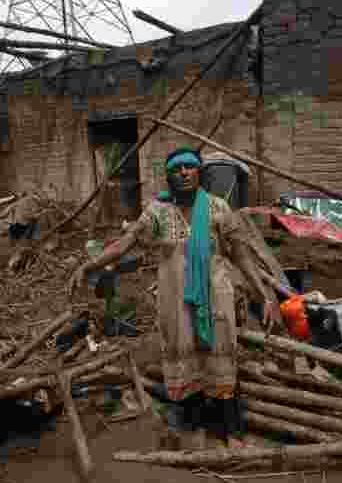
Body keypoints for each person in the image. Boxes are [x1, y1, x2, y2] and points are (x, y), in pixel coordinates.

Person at [69, 147, 282, 448]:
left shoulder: (219, 208)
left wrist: (266, 297)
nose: (183, 172)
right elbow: (125, 243)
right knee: (185, 362)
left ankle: (229, 433)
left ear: (199, 172)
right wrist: (90, 264)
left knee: (221, 360)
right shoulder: (157, 212)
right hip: (175, 301)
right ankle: (195, 430)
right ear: (168, 175)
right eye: (177, 168)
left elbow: (242, 256)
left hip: (216, 299)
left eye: (189, 167)